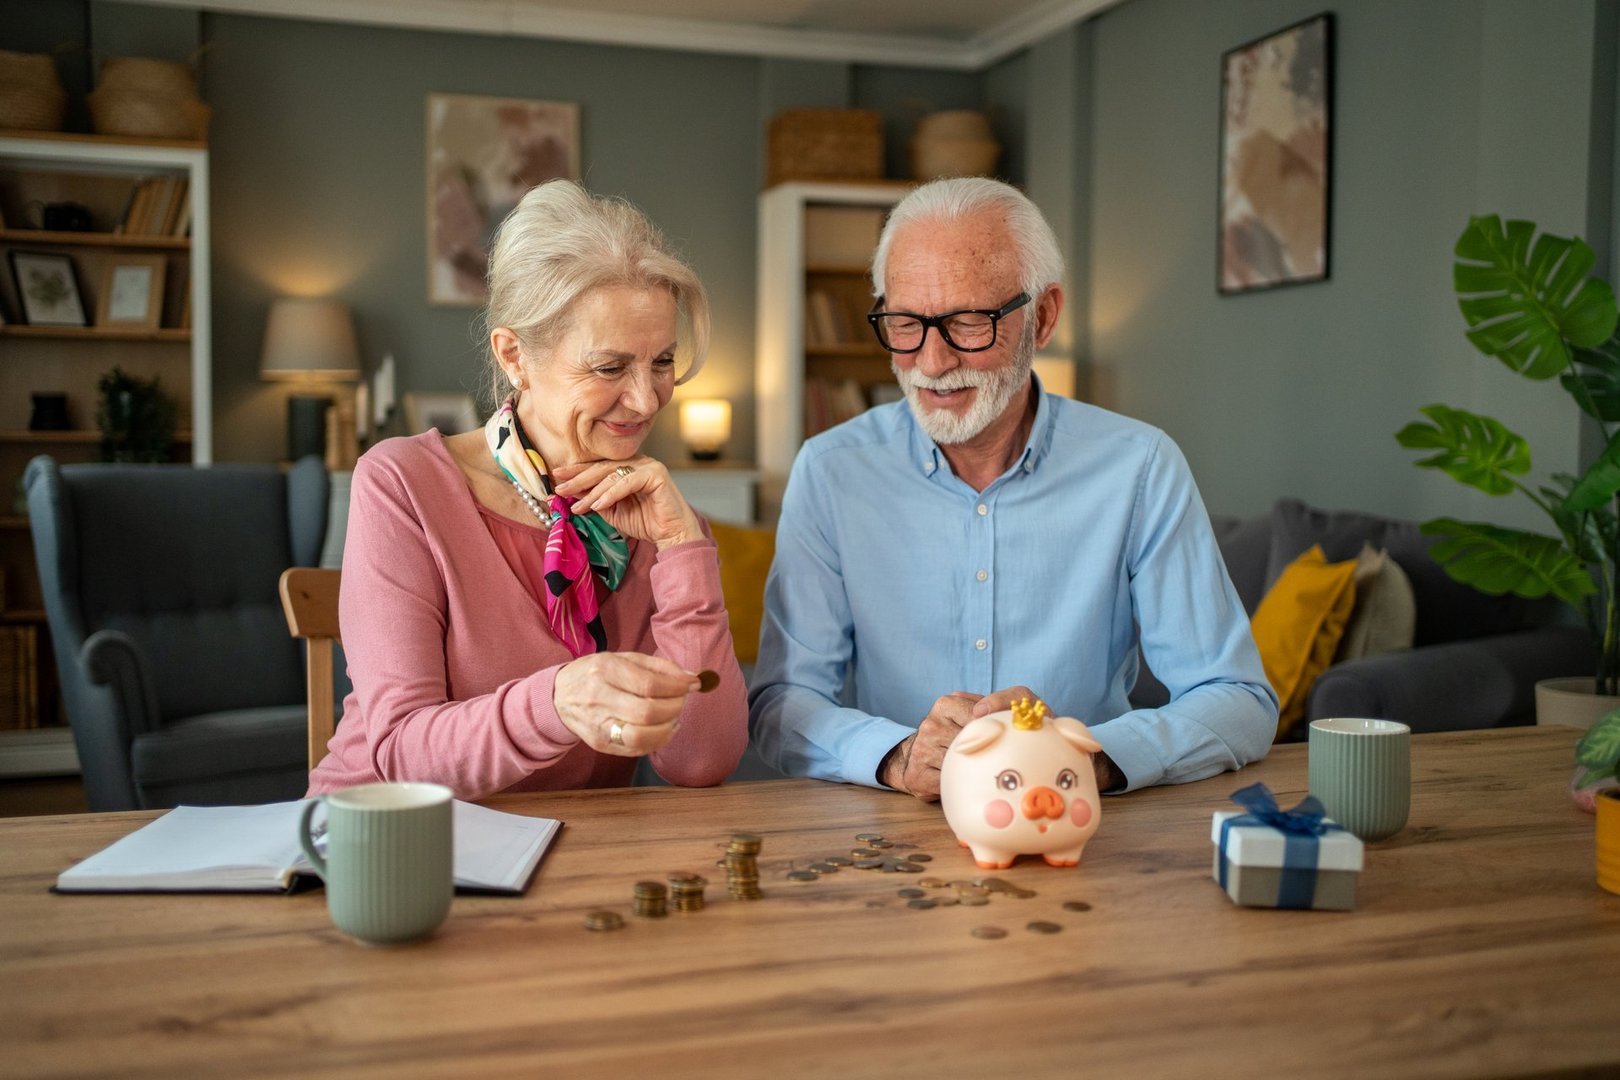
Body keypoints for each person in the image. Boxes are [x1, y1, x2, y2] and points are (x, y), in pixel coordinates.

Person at [748, 177, 1275, 799]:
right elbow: (782, 702)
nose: (932, 363)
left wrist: (1085, 758)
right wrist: (896, 756)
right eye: (905, 323)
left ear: (1043, 317)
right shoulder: (831, 471)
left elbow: (1237, 699)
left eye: (967, 324)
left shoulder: (1139, 467)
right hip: (893, 840)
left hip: (1077, 827)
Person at [309, 180, 747, 800]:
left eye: (663, 362)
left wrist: (683, 550)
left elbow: (701, 761)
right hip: (385, 848)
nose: (648, 400)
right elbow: (399, 755)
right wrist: (557, 702)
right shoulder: (404, 484)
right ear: (514, 355)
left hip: (568, 859)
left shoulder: (664, 521)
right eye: (609, 367)